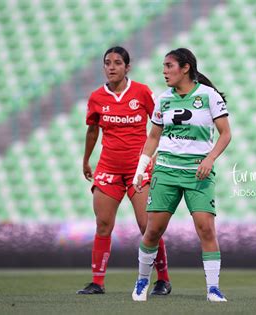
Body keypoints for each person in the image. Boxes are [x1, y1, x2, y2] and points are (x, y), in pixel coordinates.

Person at [130, 48, 231, 302]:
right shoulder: (163, 99)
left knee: (206, 229)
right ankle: (142, 281)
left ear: (185, 68)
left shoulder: (208, 96)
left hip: (198, 172)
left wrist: (210, 159)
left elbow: (226, 134)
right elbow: (153, 137)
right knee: (153, 231)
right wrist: (141, 170)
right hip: (166, 171)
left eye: (169, 66)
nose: (164, 71)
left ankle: (213, 289)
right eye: (163, 66)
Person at [77, 47, 171, 295]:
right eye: (107, 62)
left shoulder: (141, 92)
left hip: (137, 169)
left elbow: (160, 123)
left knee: (147, 226)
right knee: (103, 224)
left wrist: (158, 154)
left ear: (127, 67)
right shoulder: (97, 97)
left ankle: (163, 279)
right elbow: (92, 131)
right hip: (108, 168)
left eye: (117, 63)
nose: (111, 67)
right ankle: (97, 282)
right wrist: (86, 160)